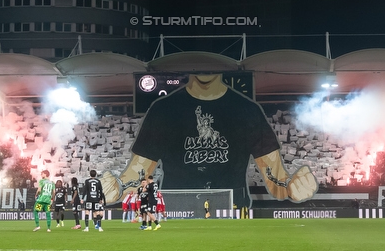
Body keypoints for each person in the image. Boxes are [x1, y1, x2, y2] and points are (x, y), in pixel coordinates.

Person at [102, 74, 317, 209]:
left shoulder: (247, 110)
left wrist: (291, 186)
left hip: (233, 211)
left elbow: (275, 180)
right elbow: (139, 171)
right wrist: (119, 187)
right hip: (177, 211)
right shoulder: (163, 109)